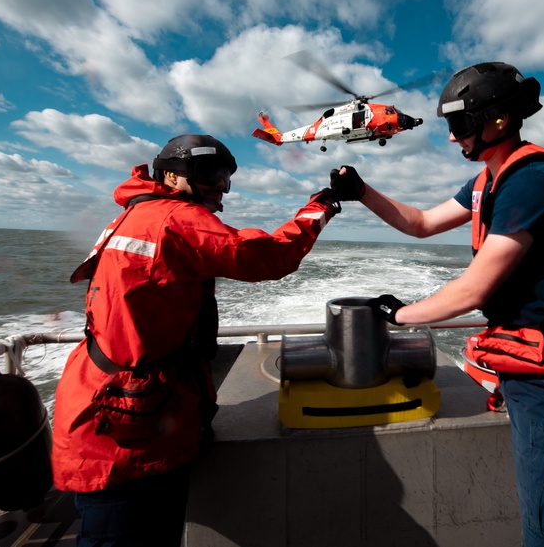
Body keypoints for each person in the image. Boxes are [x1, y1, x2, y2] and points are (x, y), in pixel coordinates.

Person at [330, 62, 544, 546]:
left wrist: (400, 314)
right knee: (543, 515)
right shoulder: (487, 181)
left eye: (459, 125)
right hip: (524, 366)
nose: (453, 138)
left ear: (498, 120)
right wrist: (361, 192)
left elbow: (476, 289)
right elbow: (420, 222)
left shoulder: (533, 180)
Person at [51, 134, 341, 547]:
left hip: (107, 405)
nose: (220, 185)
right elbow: (268, 256)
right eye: (209, 173)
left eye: (225, 176)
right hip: (126, 437)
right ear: (170, 175)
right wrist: (323, 204)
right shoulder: (174, 219)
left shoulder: (137, 214)